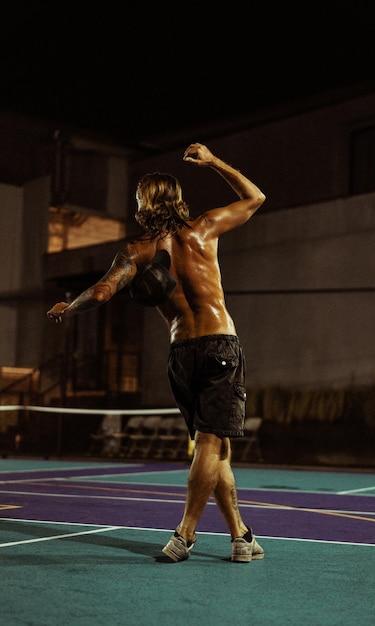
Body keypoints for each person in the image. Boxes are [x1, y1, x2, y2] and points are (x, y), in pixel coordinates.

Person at [47, 142, 266, 563]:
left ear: (144, 204)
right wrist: (214, 161)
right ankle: (185, 534)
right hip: (220, 344)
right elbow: (256, 197)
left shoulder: (138, 250)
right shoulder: (204, 229)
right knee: (210, 442)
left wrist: (69, 307)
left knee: (215, 446)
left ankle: (241, 535)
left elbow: (102, 292)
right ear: (178, 200)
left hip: (180, 351)